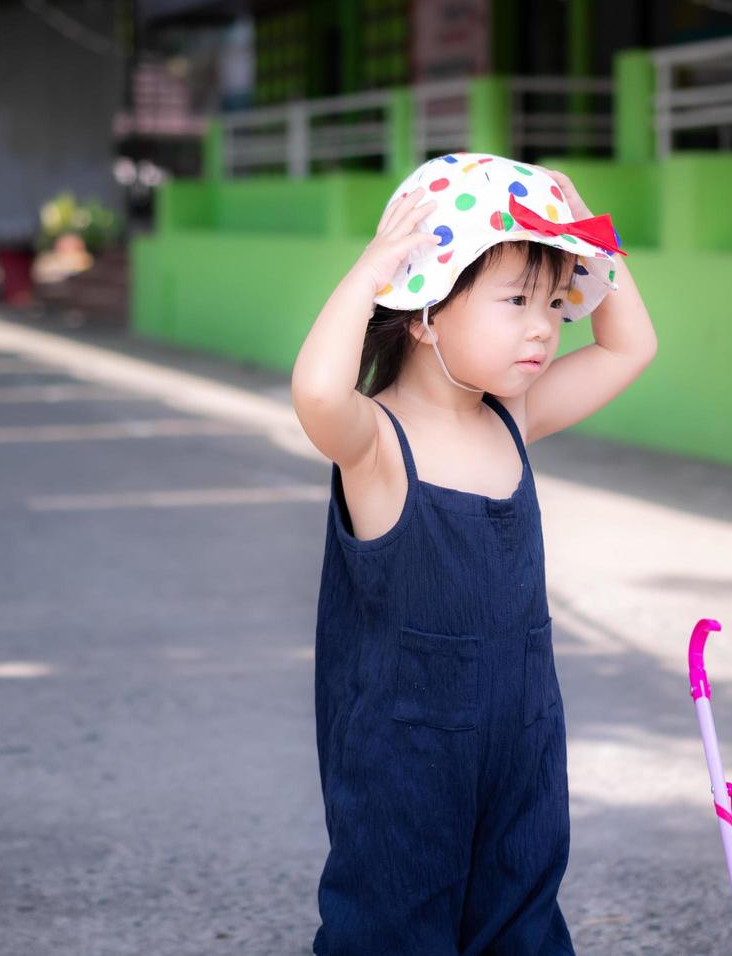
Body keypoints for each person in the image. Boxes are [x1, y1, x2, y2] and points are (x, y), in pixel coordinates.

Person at [290, 152, 657, 955]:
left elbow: (630, 349)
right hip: (404, 760)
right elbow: (318, 393)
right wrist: (369, 273)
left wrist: (590, 231)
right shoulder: (378, 445)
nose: (542, 326)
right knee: (392, 927)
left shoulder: (511, 421)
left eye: (555, 303)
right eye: (515, 300)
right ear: (424, 310)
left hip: (522, 739)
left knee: (522, 919)